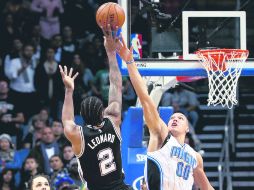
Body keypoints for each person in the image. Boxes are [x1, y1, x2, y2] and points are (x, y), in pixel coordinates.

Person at [115, 35, 214, 190]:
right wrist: (130, 63)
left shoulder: (195, 157)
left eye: (180, 118)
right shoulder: (162, 136)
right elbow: (146, 99)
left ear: (187, 128)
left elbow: (207, 187)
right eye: (172, 118)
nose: (175, 119)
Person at [59, 24, 132, 190]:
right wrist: (111, 53)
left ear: (82, 116)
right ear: (102, 112)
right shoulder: (113, 120)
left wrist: (69, 90)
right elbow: (116, 85)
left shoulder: (78, 134)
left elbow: (67, 120)